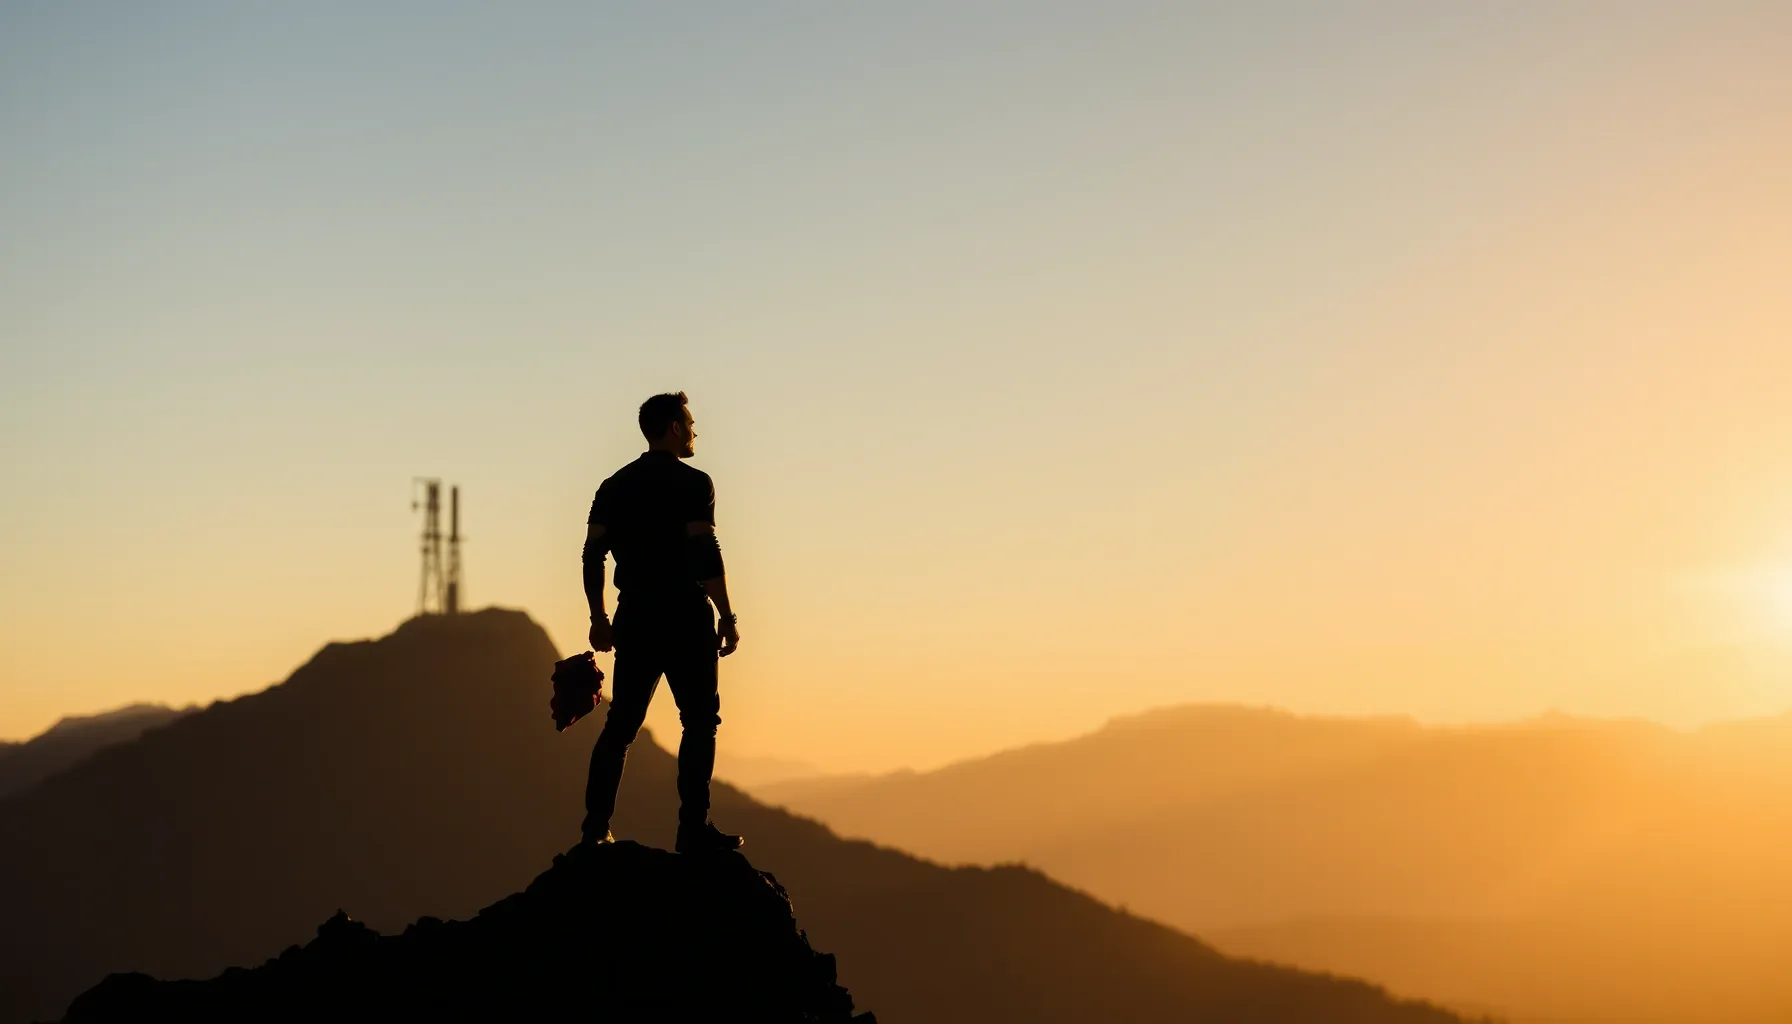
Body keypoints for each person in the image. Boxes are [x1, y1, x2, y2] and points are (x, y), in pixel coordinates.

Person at [580, 392, 743, 854]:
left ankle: (595, 829)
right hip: (686, 617)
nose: (694, 431)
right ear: (673, 428)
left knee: (621, 726)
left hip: (636, 617)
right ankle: (693, 831)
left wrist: (599, 618)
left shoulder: (613, 486)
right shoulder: (695, 483)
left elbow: (592, 555)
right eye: (689, 423)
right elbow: (704, 551)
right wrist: (727, 615)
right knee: (700, 722)